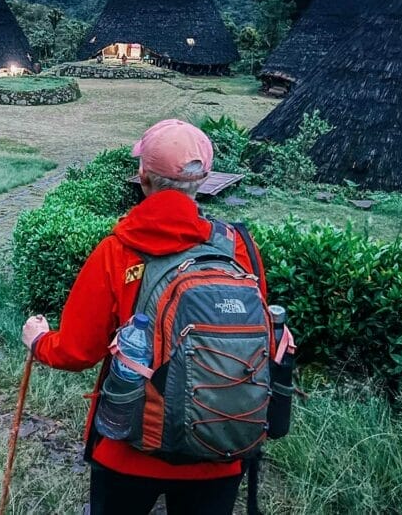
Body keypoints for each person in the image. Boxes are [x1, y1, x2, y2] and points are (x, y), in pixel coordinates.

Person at [21, 119, 268, 515]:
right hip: (221, 442)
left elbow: (76, 352)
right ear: (203, 178)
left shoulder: (118, 250)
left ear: (143, 176)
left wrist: (37, 340)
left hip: (128, 447)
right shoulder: (238, 246)